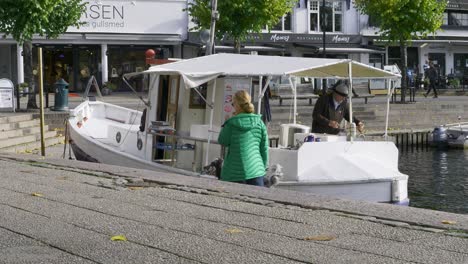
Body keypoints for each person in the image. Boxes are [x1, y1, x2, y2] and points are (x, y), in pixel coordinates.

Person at [217, 90, 269, 186]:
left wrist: (225, 124)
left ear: (237, 104)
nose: (233, 106)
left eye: (233, 104)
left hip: (234, 173)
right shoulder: (260, 123)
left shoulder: (231, 123)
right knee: (256, 200)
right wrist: (263, 167)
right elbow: (264, 148)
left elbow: (222, 141)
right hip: (256, 171)